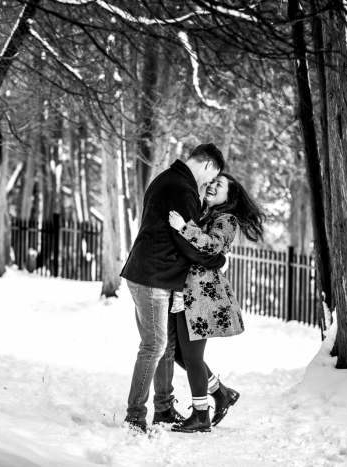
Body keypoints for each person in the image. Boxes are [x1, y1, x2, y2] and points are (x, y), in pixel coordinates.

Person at [120, 143, 227, 435]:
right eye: (212, 175)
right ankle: (135, 417)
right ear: (207, 165)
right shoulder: (182, 188)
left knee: (164, 347)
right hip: (153, 277)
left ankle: (164, 409)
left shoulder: (169, 178)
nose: (209, 183)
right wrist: (219, 260)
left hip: (156, 275)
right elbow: (187, 242)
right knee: (154, 346)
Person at [167, 173, 266, 433]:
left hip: (202, 297)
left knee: (192, 357)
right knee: (179, 352)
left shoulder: (226, 219)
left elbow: (212, 246)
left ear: (229, 196)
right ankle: (220, 393)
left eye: (218, 185)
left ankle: (201, 415)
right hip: (187, 293)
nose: (212, 186)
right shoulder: (204, 213)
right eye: (211, 182)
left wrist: (183, 228)